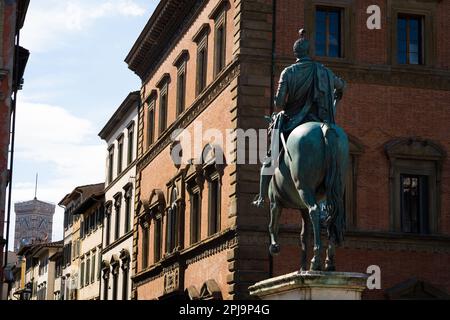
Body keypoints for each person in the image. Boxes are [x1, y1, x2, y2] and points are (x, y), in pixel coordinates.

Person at [252, 29, 346, 208]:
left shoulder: (288, 73)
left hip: (292, 122)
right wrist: (336, 93)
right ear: (309, 52)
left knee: (270, 157)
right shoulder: (323, 71)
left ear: (296, 53)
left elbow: (279, 103)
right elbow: (341, 86)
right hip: (319, 119)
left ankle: (261, 196)